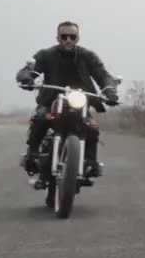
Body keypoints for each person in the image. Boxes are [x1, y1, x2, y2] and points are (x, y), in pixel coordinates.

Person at [16, 20, 119, 178]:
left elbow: (103, 75)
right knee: (41, 118)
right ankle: (33, 156)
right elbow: (29, 70)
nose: (68, 40)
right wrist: (26, 78)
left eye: (72, 36)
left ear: (78, 38)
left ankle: (90, 164)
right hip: (51, 100)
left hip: (81, 101)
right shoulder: (46, 55)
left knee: (91, 128)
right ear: (58, 38)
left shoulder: (87, 56)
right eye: (64, 36)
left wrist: (110, 90)